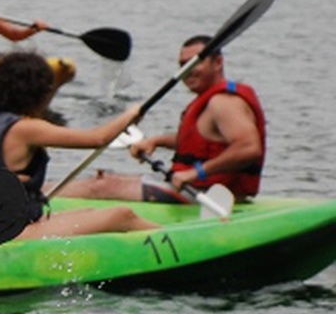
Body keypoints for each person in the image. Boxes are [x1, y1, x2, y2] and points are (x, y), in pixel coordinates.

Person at [0, 52, 160, 238]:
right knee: (122, 216)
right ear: (38, 92)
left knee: (88, 212)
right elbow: (97, 139)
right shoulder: (26, 128)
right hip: (10, 233)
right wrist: (131, 114)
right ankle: (184, 246)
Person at [58, 35, 267, 204]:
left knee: (102, 186)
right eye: (183, 65)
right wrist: (155, 141)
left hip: (208, 195)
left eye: (195, 63)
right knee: (104, 177)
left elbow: (249, 148)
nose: (187, 71)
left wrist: (195, 173)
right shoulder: (212, 100)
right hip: (198, 187)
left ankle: (40, 203)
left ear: (218, 62)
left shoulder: (224, 102)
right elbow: (199, 143)